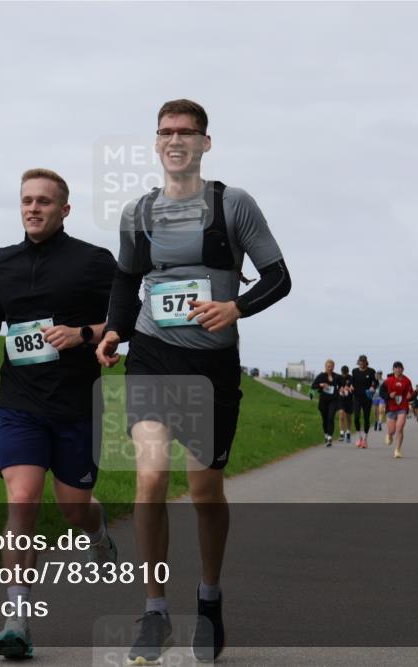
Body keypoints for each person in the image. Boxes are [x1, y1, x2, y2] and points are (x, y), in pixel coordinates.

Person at [97, 99, 291, 664]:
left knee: (205, 493)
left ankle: (208, 600)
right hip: (153, 356)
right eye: (165, 132)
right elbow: (127, 279)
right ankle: (155, 611)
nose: (175, 140)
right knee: (151, 476)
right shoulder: (138, 212)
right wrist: (114, 331)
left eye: (186, 132)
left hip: (212, 369)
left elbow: (278, 277)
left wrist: (236, 308)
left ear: (206, 143)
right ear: (156, 143)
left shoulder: (233, 204)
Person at [0, 168, 119, 659]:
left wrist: (85, 334)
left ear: (64, 210)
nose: (33, 208)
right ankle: (17, 619)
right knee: (22, 500)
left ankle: (96, 533)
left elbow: (126, 317)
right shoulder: (3, 260)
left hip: (76, 404)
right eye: (26, 201)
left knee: (74, 508)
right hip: (21, 404)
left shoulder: (94, 261)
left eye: (44, 202)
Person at [381, 362, 415, 458]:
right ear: (393, 369)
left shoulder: (407, 381)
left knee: (399, 428)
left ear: (403, 369)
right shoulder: (388, 381)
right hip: (391, 407)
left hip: (402, 406)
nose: (398, 370)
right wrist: (388, 396)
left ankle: (397, 450)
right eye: (396, 368)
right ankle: (389, 434)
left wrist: (410, 396)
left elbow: (411, 393)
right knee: (392, 430)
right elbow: (381, 392)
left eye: (400, 368)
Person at [312, 359, 342, 447]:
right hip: (323, 400)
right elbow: (313, 386)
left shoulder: (336, 376)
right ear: (325, 367)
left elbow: (342, 384)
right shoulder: (321, 376)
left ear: (333, 367)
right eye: (328, 366)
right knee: (325, 419)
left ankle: (329, 438)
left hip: (333, 400)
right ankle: (326, 434)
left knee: (330, 417)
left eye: (331, 366)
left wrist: (341, 388)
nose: (330, 368)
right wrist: (320, 385)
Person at [350, 355, 378, 448]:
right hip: (357, 397)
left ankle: (365, 440)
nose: (361, 363)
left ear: (366, 362)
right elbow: (351, 382)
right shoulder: (354, 371)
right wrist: (351, 386)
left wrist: (373, 387)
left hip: (367, 397)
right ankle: (359, 437)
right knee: (356, 417)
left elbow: (375, 382)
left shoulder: (371, 371)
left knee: (366, 418)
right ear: (358, 362)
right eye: (360, 361)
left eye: (363, 361)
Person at [337, 365, 355, 444]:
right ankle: (341, 433)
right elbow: (336, 387)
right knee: (341, 415)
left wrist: (350, 388)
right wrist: (339, 389)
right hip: (341, 399)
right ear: (341, 372)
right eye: (343, 373)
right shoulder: (338, 378)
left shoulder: (351, 378)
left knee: (348, 417)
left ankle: (348, 432)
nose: (344, 375)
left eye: (345, 373)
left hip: (349, 400)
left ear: (348, 372)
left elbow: (353, 388)